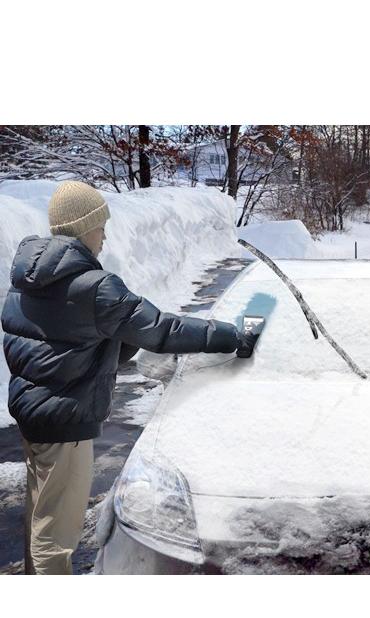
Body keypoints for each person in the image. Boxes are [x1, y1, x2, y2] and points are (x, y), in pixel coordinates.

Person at [1, 181, 254, 575]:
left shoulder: (30, 277)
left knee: (41, 515)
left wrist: (114, 345)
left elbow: (53, 343)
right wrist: (230, 336)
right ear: (86, 228)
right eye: (101, 225)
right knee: (57, 537)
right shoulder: (95, 287)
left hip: (33, 415)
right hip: (64, 424)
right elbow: (162, 330)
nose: (104, 235)